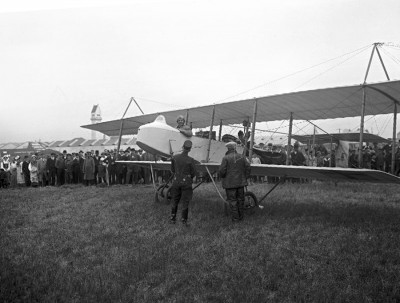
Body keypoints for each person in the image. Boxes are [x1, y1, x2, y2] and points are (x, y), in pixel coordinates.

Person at [219, 141, 251, 222]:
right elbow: (248, 167)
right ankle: (241, 217)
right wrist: (245, 177)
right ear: (235, 148)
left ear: (228, 148)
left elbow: (222, 171)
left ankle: (236, 219)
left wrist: (223, 177)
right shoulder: (242, 157)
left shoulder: (225, 158)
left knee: (233, 200)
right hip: (240, 183)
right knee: (240, 200)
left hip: (230, 183)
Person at [169, 140, 197, 225]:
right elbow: (193, 173)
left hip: (176, 181)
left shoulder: (175, 157)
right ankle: (184, 221)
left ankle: (172, 219)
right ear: (190, 149)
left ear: (182, 147)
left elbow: (172, 170)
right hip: (186, 183)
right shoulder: (191, 160)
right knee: (185, 202)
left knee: (174, 200)